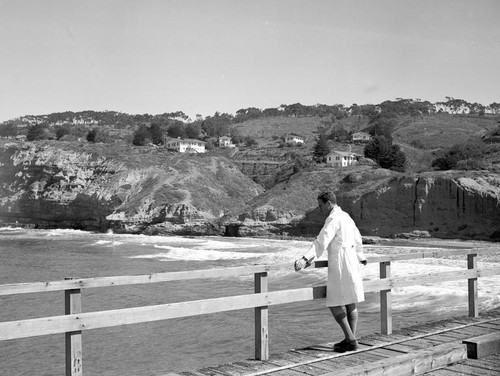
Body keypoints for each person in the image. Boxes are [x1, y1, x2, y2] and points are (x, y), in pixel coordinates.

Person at [294, 191, 367, 352]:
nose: (320, 209)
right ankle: (350, 340)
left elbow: (322, 240)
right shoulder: (346, 217)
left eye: (321, 205)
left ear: (328, 203)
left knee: (334, 302)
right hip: (352, 262)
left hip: (341, 263)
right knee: (350, 301)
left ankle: (351, 339)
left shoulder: (333, 218)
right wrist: (361, 256)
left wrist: (305, 259)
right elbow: (357, 238)